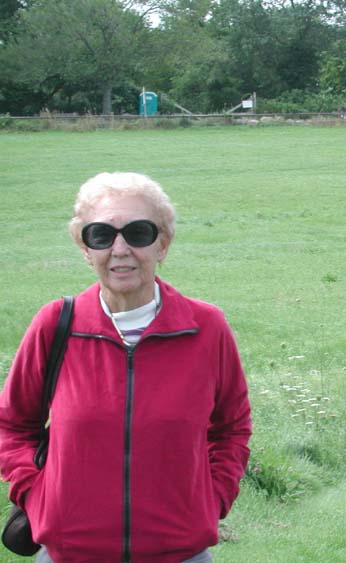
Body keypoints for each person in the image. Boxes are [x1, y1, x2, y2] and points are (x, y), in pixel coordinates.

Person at [0, 172, 252, 563]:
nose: (120, 249)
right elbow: (12, 424)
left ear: (163, 243)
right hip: (70, 554)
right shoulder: (55, 325)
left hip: (179, 554)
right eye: (101, 235)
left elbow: (231, 427)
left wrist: (211, 500)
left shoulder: (206, 328)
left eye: (138, 233)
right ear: (85, 248)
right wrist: (37, 496)